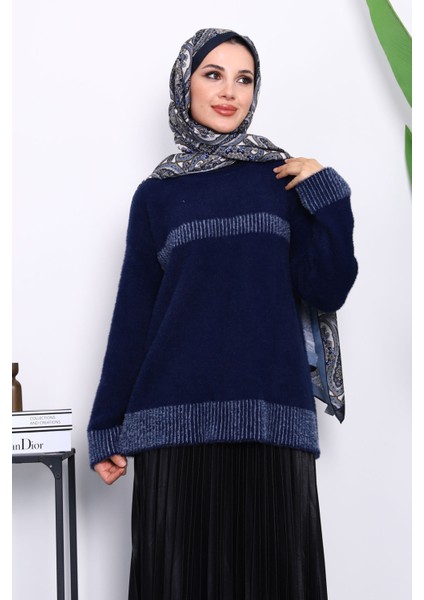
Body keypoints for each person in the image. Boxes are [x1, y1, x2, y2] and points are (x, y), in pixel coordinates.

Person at [87, 27, 358, 600]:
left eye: (244, 78)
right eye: (213, 75)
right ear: (185, 84)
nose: (229, 91)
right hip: (173, 426)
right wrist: (107, 425)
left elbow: (328, 289)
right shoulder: (157, 195)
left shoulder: (282, 180)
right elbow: (135, 313)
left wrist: (329, 197)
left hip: (270, 421)